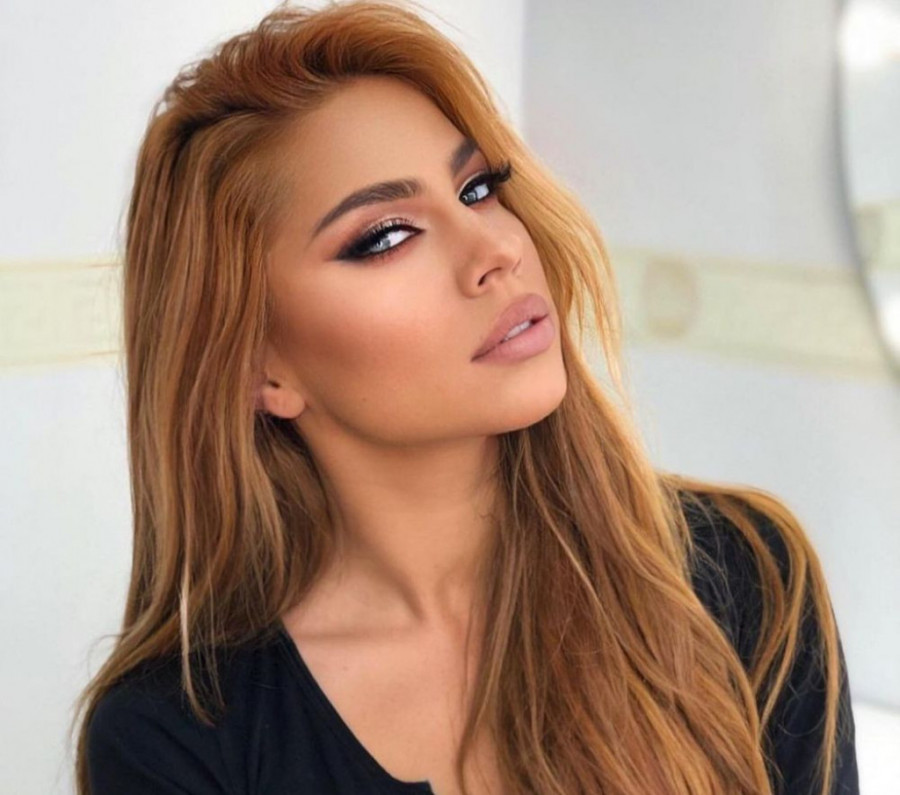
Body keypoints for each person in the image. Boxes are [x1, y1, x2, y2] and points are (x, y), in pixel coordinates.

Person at [71, 1, 859, 793]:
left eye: (478, 188)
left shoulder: (744, 580)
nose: (497, 248)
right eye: (385, 236)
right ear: (257, 365)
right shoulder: (175, 738)